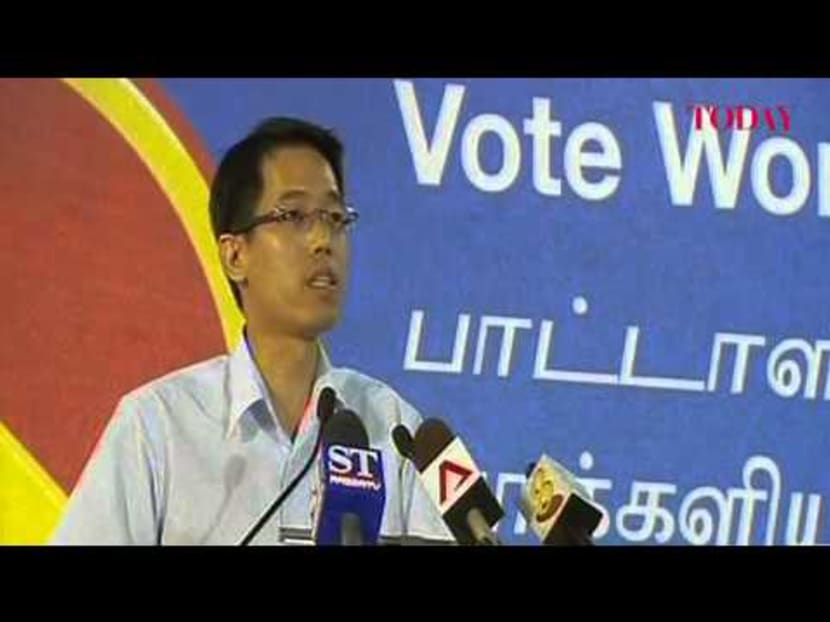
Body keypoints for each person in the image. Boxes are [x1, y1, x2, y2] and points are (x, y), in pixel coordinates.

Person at [51, 117, 453, 545]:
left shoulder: (394, 429)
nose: (322, 239)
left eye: (335, 217)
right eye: (294, 216)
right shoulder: (158, 427)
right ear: (235, 255)